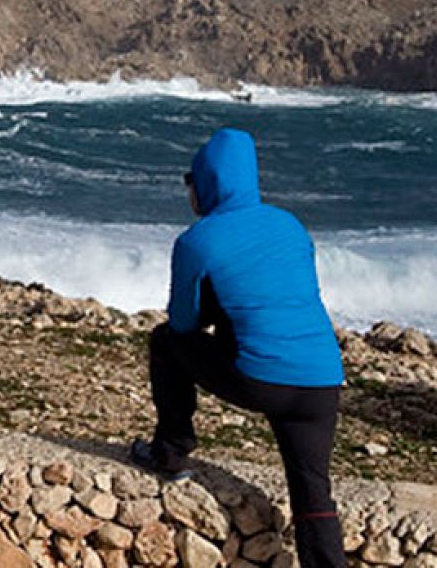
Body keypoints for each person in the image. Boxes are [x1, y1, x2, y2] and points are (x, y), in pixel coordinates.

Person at [132, 128, 347, 568]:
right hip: (322, 380)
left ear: (207, 182)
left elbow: (184, 323)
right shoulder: (289, 224)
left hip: (261, 380)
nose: (188, 191)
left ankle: (170, 449)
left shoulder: (198, 240)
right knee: (312, 491)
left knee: (164, 341)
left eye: (189, 181)